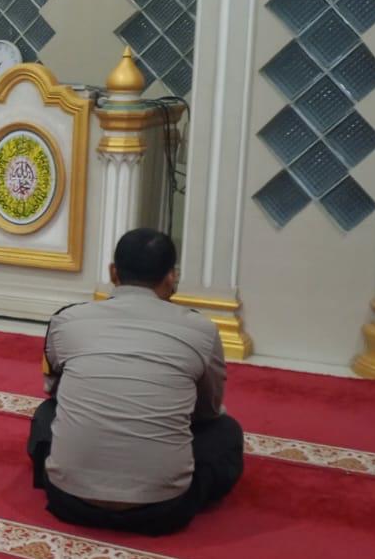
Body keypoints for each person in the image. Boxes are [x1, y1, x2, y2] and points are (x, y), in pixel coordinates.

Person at [28, 228, 242, 536]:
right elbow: (207, 410)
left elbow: (55, 391)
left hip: (68, 500)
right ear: (171, 277)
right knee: (226, 431)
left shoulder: (67, 320)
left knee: (46, 414)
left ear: (113, 272)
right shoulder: (202, 330)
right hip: (163, 509)